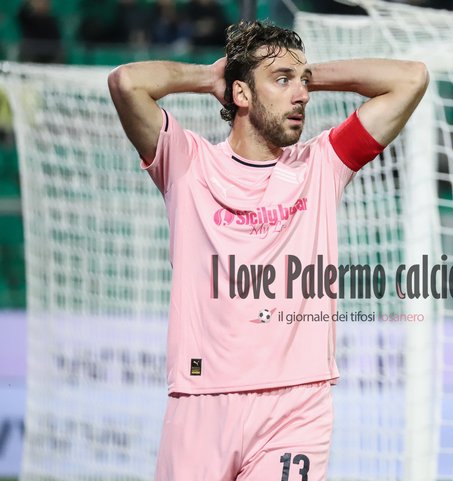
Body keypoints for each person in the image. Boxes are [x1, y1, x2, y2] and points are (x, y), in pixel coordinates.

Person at [107, 20, 428, 481]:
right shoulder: (188, 163)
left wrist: (302, 74)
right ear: (240, 93)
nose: (302, 96)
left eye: (303, 83)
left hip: (295, 408)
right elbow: (126, 82)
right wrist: (210, 77)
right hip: (202, 401)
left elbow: (411, 78)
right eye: (282, 81)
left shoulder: (322, 164)